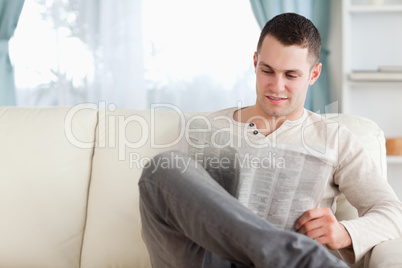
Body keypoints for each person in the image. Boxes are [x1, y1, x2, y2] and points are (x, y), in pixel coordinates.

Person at [138, 13, 402, 268]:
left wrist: (344, 231)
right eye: (267, 70)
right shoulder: (208, 128)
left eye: (291, 75)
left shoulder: (335, 138)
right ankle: (294, 254)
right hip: (209, 260)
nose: (276, 86)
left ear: (314, 74)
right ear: (255, 62)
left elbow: (392, 212)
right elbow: (173, 210)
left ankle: (287, 255)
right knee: (161, 171)